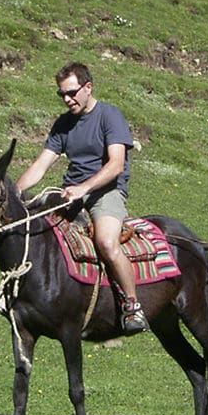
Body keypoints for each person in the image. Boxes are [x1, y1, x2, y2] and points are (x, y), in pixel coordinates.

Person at [15, 62, 149, 334]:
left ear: (88, 88)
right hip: (70, 194)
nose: (67, 99)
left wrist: (84, 188)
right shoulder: (63, 124)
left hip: (106, 192)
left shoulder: (109, 116)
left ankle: (132, 305)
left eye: (72, 92)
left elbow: (116, 165)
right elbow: (41, 166)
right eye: (62, 94)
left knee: (106, 243)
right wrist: (14, 193)